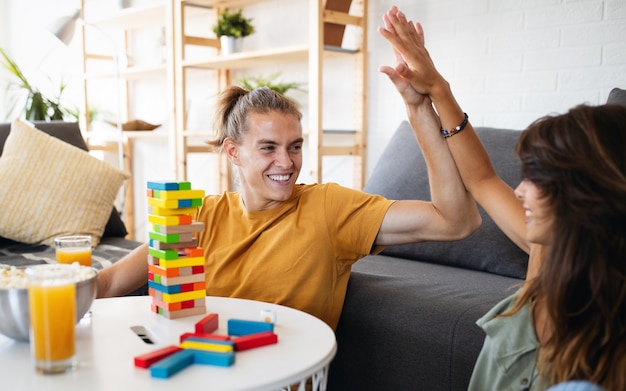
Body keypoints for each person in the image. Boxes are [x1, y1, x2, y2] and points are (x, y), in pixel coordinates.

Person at [378, 6, 626, 390]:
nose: (520, 190)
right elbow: (481, 178)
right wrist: (433, 92)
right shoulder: (546, 248)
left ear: (585, 196)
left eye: (537, 178)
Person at [97, 82, 481, 330]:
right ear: (234, 152)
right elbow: (113, 281)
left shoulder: (329, 209)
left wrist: (418, 110)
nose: (287, 162)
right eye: (268, 148)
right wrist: (50, 289)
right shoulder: (198, 215)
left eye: (295, 146)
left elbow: (455, 221)